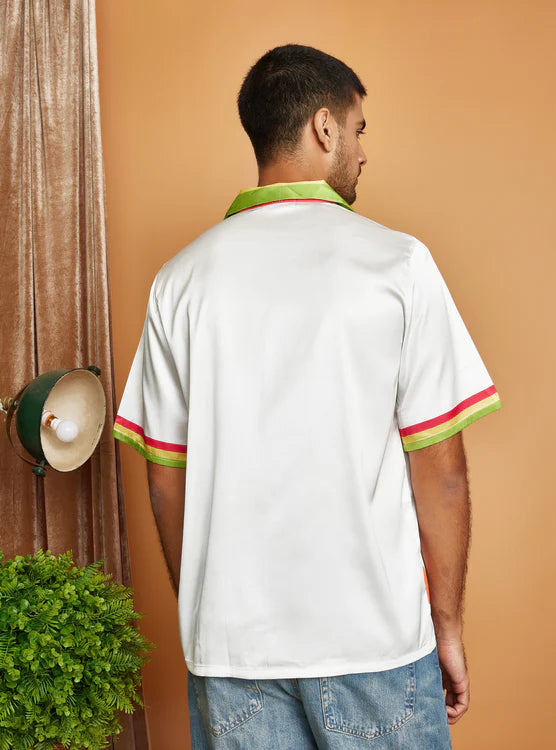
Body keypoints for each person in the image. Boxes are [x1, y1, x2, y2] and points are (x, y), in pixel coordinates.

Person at [113, 44, 501, 749]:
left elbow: (165, 482)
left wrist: (208, 614)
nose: (362, 151)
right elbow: (440, 474)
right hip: (375, 644)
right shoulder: (399, 265)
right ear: (324, 127)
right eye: (358, 129)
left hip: (231, 654)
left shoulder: (179, 282)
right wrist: (446, 626)